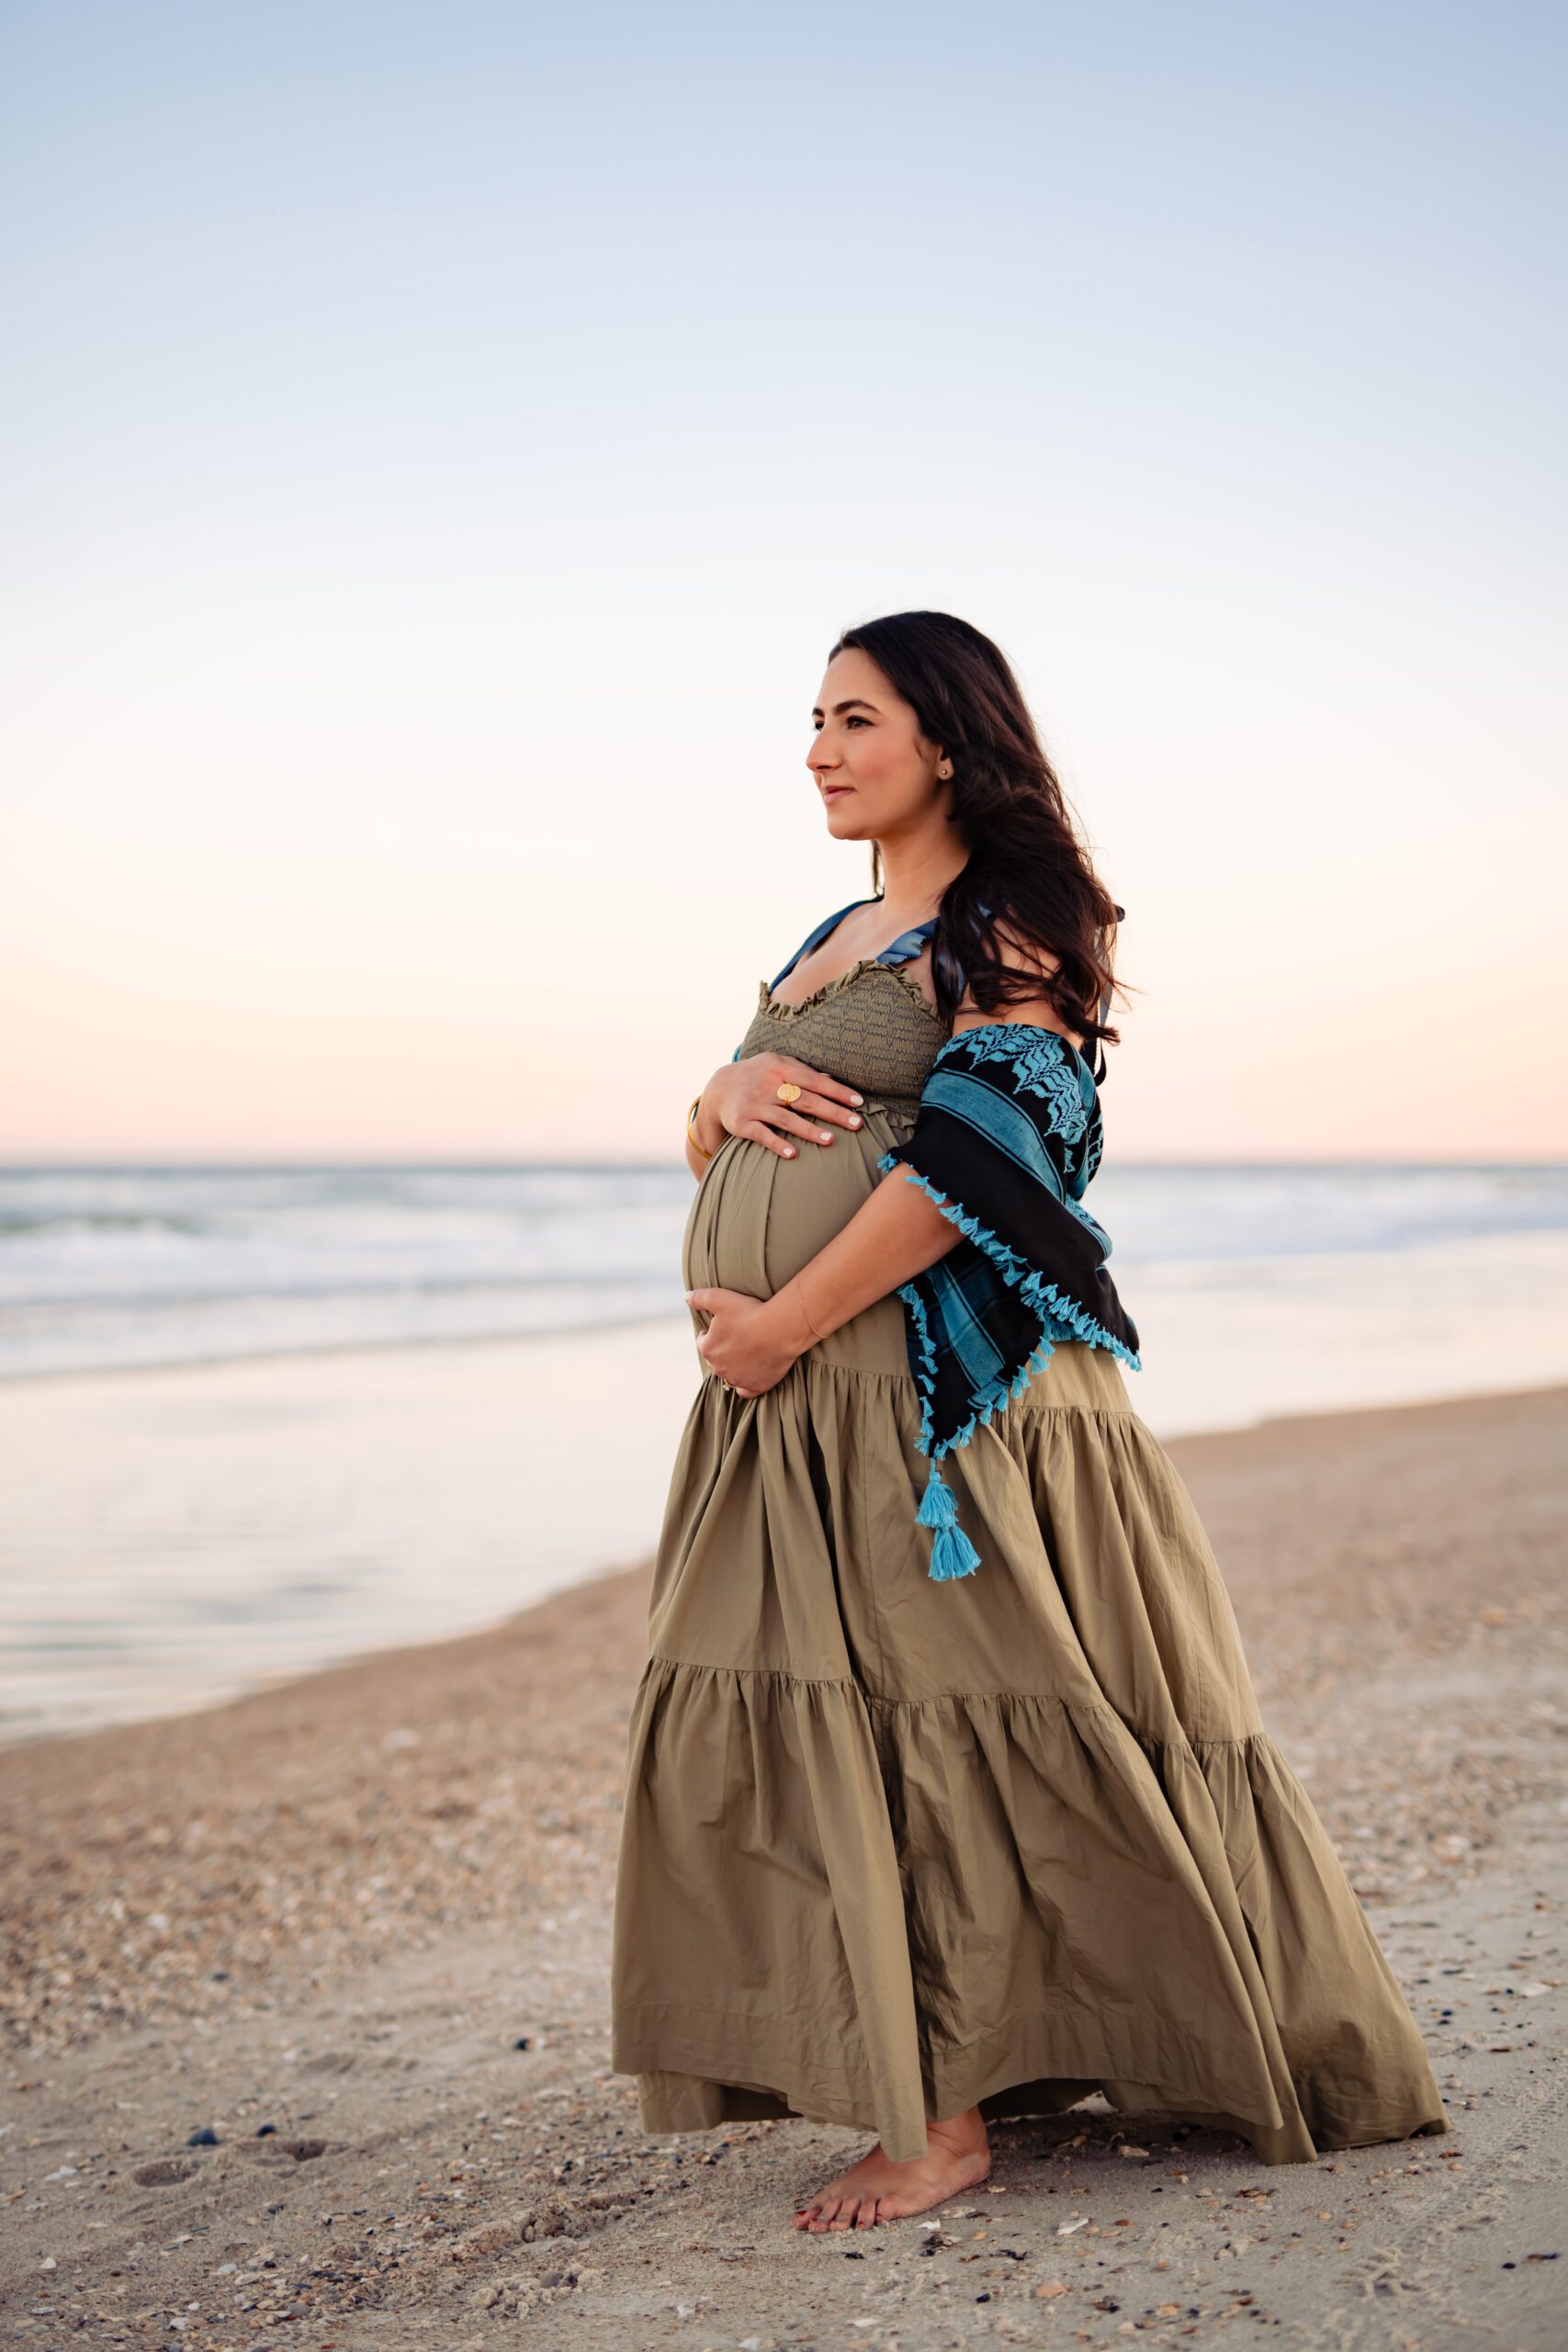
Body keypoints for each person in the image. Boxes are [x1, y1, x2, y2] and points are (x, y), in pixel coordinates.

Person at [609, 610, 1450, 2233]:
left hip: (930, 1404)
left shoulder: (1016, 918)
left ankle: (948, 2129)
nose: (818, 749)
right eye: (813, 718)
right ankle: (934, 2080)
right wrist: (710, 1099)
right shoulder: (831, 931)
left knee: (956, 1722)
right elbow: (735, 1127)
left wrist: (783, 1320)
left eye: (853, 718)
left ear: (947, 738)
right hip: (794, 1406)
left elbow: (988, 1167)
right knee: (841, 1733)